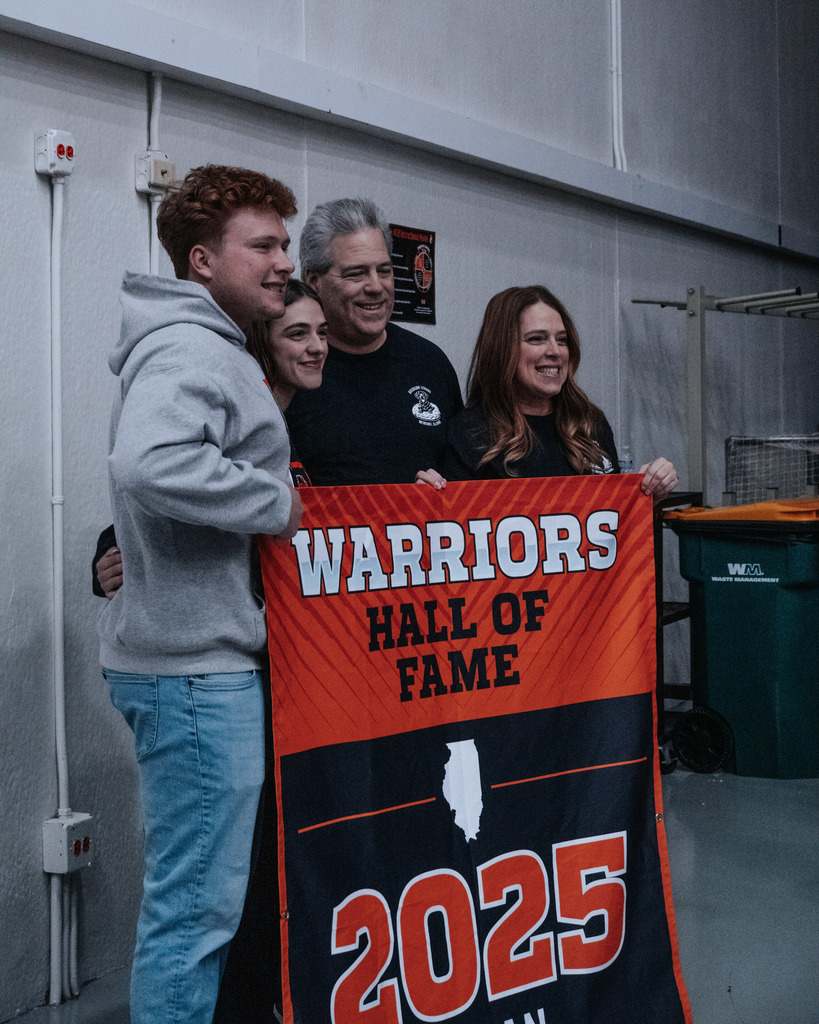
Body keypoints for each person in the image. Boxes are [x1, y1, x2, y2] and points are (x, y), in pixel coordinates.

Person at [98, 164, 304, 1024]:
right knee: (194, 916)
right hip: (193, 676)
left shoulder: (205, 344)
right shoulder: (192, 347)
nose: (282, 262)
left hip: (188, 663)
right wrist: (277, 505)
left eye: (285, 243)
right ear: (200, 261)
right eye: (262, 245)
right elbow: (151, 463)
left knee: (196, 907)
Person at [437, 284, 678, 497]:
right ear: (502, 350)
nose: (555, 351)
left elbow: (614, 523)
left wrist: (647, 493)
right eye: (537, 339)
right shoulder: (469, 434)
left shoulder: (588, 422)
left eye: (561, 340)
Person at [284, 197, 463, 484]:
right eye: (356, 274)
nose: (375, 287)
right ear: (313, 280)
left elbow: (464, 482)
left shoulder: (430, 362)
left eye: (384, 271)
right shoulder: (290, 368)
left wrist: (441, 495)